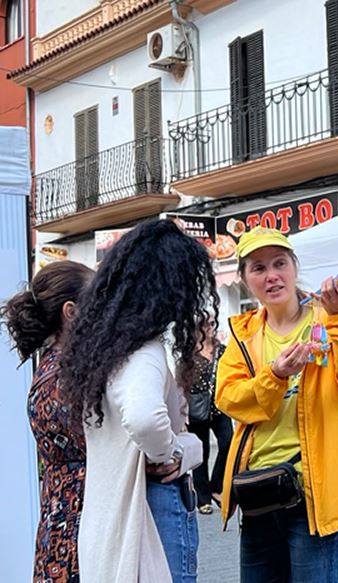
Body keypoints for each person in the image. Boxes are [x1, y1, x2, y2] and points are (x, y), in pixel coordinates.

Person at [216, 227, 338, 583]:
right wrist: (275, 374)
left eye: (279, 263)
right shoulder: (244, 335)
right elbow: (229, 399)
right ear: (244, 279)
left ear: (294, 267)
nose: (271, 276)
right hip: (259, 493)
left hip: (316, 497)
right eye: (258, 268)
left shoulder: (329, 318)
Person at [62, 220, 213, 583]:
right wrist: (172, 451)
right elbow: (145, 418)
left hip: (111, 516)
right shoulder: (144, 352)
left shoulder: (102, 353)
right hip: (152, 508)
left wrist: (185, 449)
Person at [0, 261, 93, 582]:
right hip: (81, 519)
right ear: (71, 312)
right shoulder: (71, 374)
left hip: (58, 518)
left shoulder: (50, 366)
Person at [187, 333, 232, 515]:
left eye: (213, 323)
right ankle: (203, 499)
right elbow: (182, 381)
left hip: (219, 406)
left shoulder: (222, 350)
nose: (211, 328)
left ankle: (216, 486)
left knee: (228, 442)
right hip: (198, 408)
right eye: (208, 324)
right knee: (202, 453)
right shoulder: (189, 351)